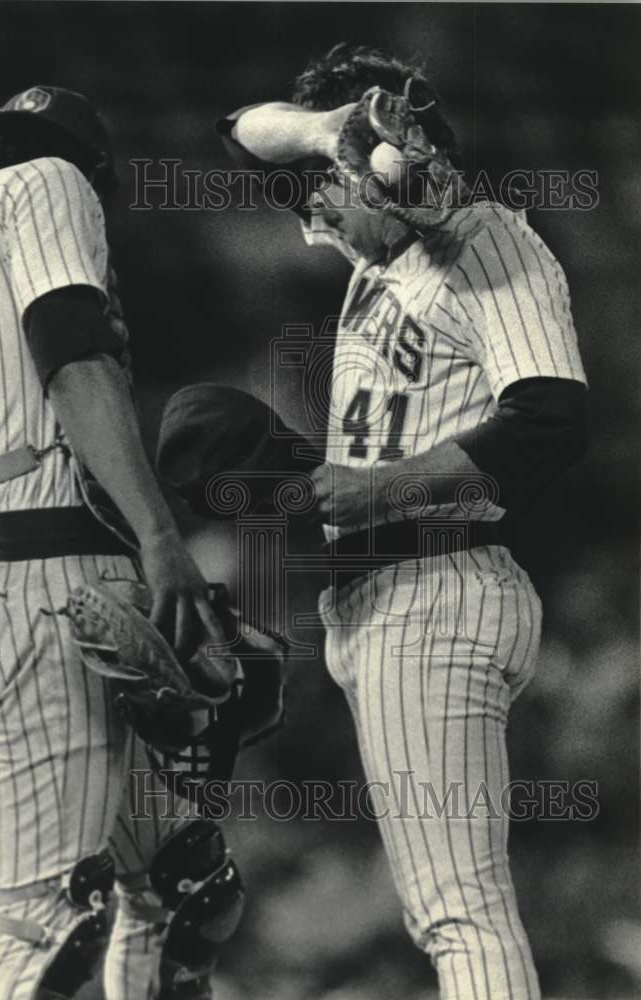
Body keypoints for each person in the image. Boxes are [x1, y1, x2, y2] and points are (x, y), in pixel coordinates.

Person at [0, 85, 242, 1000]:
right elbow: (71, 352)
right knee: (47, 919)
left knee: (183, 887)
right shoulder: (51, 184)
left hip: (0, 578)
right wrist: (158, 534)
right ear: (91, 169)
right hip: (59, 565)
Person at [217, 44, 588, 1000]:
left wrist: (379, 492)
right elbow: (237, 136)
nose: (308, 216)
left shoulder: (482, 233)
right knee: (451, 910)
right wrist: (320, 134)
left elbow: (550, 419)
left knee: (456, 911)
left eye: (320, 188)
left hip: (438, 580)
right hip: (386, 596)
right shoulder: (374, 264)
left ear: (382, 161)